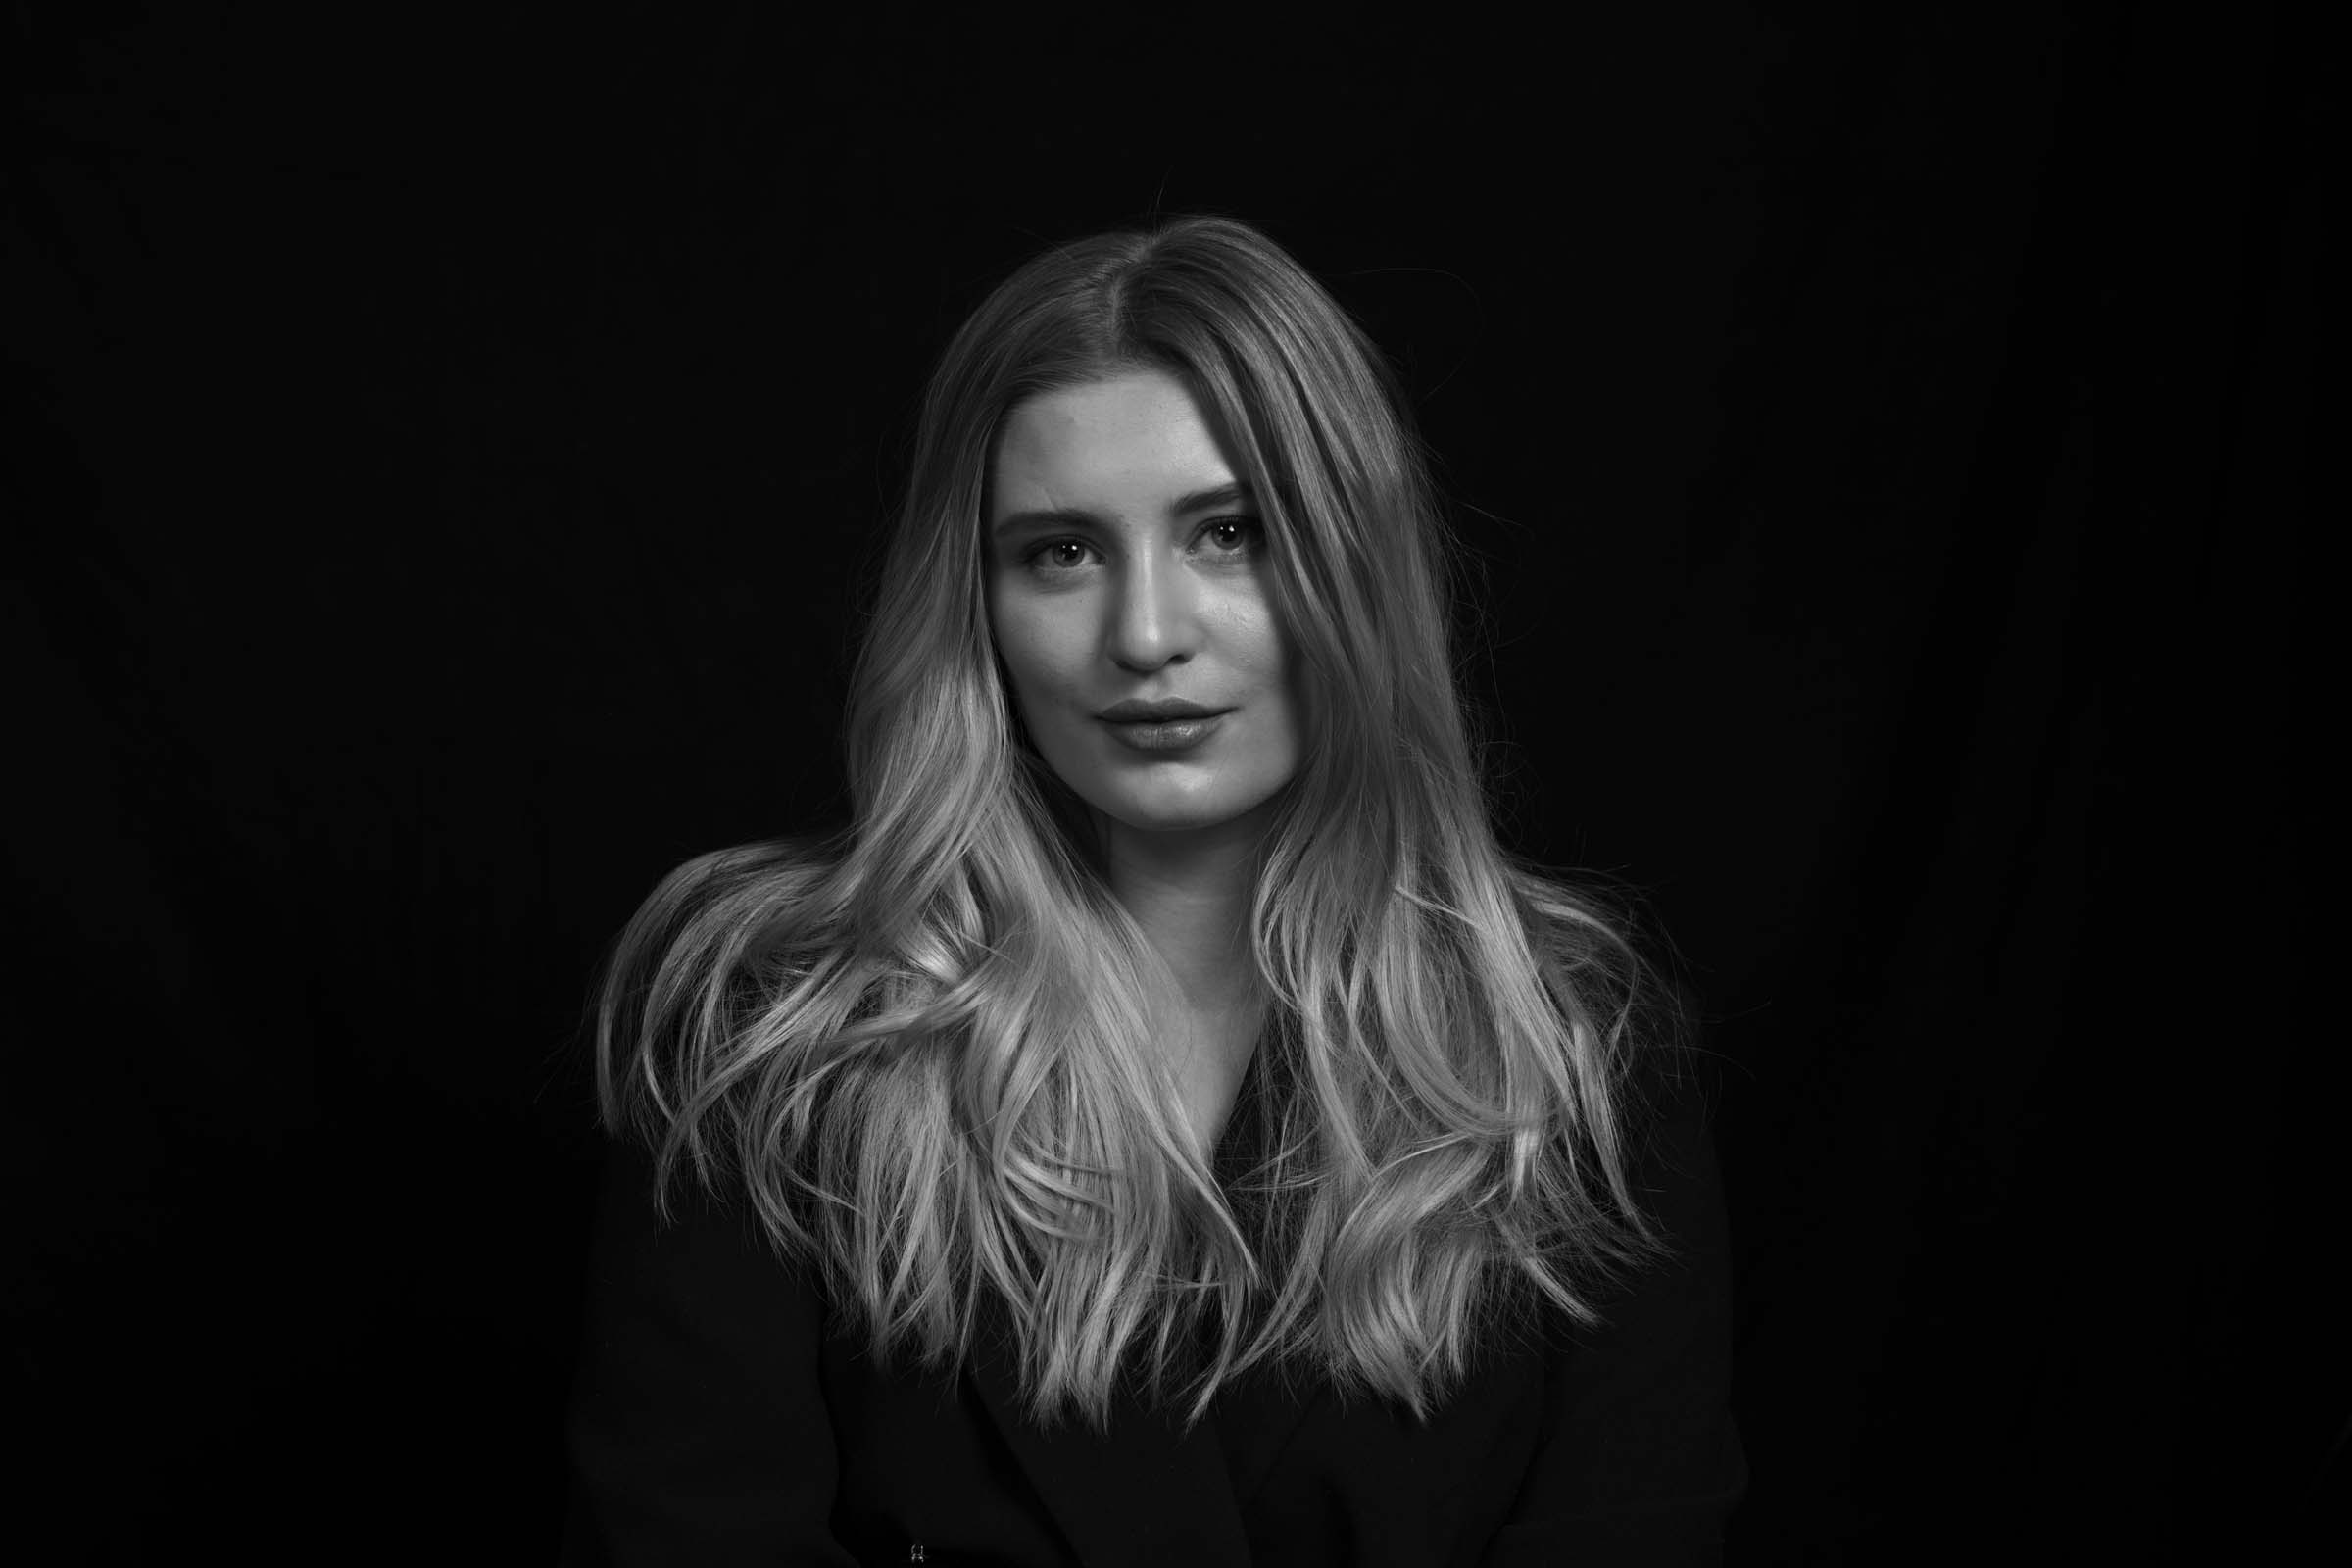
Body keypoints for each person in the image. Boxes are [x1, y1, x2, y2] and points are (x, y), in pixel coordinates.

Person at [561, 215, 1746, 1566]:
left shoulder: (1573, 1050)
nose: (1144, 634)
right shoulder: (772, 1033)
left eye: (1229, 533)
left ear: (1355, 566)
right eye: (1061, 552)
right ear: (976, 603)